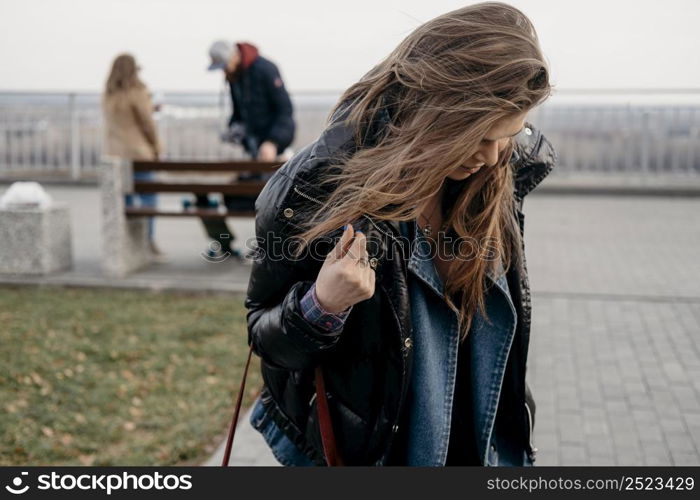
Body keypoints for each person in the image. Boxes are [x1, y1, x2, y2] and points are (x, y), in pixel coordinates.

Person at [245, 2, 556, 466]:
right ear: (435, 112)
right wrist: (322, 307)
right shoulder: (317, 186)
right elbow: (263, 334)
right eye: (479, 136)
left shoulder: (498, 175)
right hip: (377, 453)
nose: (493, 157)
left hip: (485, 444)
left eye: (508, 135)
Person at [197, 40, 296, 259]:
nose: (223, 72)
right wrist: (235, 129)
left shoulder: (265, 69)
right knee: (230, 195)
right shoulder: (235, 77)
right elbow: (240, 113)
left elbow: (285, 112)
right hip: (252, 151)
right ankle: (233, 244)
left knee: (271, 198)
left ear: (233, 57)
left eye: (223, 66)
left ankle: (268, 246)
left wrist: (273, 141)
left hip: (274, 151)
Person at [102, 53, 165, 259]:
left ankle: (126, 245)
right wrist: (156, 147)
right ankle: (148, 242)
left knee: (125, 202)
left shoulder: (108, 94)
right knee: (148, 199)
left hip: (114, 156)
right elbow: (147, 124)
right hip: (139, 155)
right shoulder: (137, 92)